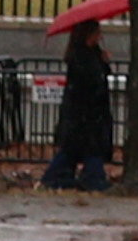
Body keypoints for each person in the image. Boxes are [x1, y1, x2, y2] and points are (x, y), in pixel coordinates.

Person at [46, 15, 119, 192]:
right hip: (84, 113)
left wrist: (104, 63)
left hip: (89, 113)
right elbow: (90, 81)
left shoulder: (91, 53)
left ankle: (64, 177)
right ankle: (92, 179)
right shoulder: (80, 57)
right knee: (86, 149)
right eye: (97, 33)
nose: (100, 37)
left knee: (76, 150)